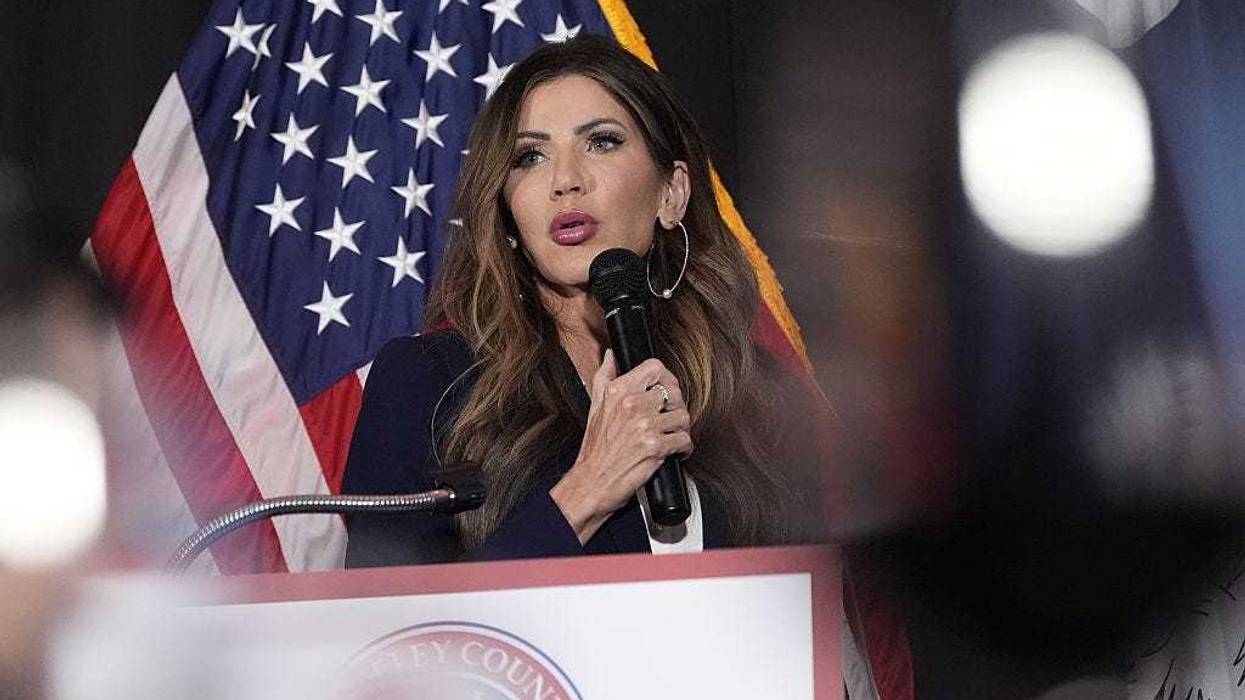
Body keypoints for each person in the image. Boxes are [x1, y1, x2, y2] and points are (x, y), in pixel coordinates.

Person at [342, 35, 825, 568]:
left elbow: (817, 621)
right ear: (507, 213)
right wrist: (587, 490)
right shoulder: (427, 385)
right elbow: (396, 642)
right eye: (530, 156)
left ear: (672, 192)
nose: (565, 182)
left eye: (601, 141)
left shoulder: (762, 397)